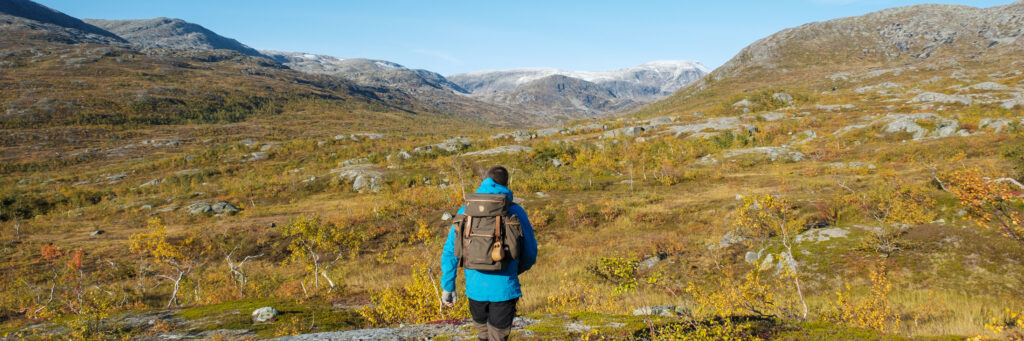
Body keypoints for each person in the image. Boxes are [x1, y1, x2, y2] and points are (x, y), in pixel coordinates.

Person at [440, 166, 538, 341]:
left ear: (483, 181)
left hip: (475, 290)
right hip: (504, 289)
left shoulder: (466, 210)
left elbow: (450, 251)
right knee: (498, 338)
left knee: (483, 336)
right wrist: (515, 270)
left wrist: (448, 286)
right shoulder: (515, 211)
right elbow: (530, 252)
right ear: (506, 184)